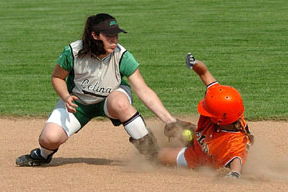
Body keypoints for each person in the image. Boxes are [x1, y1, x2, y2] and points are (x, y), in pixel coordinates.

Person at [16, 13, 178, 166]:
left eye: (116, 35)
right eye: (109, 35)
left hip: (111, 99)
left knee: (120, 103)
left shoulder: (121, 55)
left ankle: (153, 155)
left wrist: (170, 121)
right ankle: (43, 155)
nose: (114, 40)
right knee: (49, 138)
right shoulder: (73, 52)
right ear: (94, 35)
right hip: (78, 102)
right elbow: (57, 77)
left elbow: (143, 90)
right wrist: (65, 96)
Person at [159, 53, 254, 179]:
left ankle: (147, 148)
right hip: (204, 136)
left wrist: (234, 173)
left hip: (201, 157)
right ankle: (190, 133)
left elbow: (237, 159)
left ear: (219, 119)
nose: (205, 103)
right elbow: (204, 73)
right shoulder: (221, 99)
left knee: (161, 155)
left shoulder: (234, 141)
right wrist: (195, 64)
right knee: (173, 128)